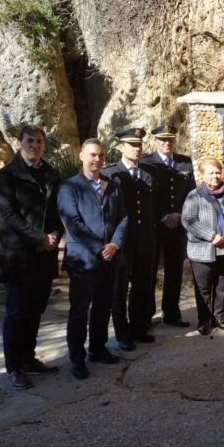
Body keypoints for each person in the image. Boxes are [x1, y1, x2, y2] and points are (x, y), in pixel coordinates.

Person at [0, 125, 63, 390]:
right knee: (16, 314)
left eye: (39, 141)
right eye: (30, 141)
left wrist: (53, 235)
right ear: (19, 143)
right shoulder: (6, 176)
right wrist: (38, 238)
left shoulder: (51, 174)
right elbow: (7, 216)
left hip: (44, 257)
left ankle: (29, 359)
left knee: (35, 311)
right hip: (18, 257)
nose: (35, 145)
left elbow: (58, 212)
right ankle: (14, 367)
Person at [58, 139, 128, 380]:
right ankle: (77, 359)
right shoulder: (69, 187)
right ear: (81, 156)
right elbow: (73, 223)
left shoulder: (113, 186)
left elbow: (123, 218)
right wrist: (100, 248)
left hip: (110, 259)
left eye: (100, 155)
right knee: (79, 311)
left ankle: (97, 349)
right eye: (92, 155)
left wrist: (114, 244)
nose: (97, 159)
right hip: (83, 260)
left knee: (103, 307)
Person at [102, 128, 158, 348]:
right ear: (120, 147)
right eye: (132, 145)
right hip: (122, 241)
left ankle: (139, 327)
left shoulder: (150, 173)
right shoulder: (109, 174)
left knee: (142, 287)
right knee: (119, 289)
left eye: (139, 145)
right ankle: (122, 334)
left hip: (145, 239)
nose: (137, 148)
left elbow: (153, 205)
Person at [140, 125, 196, 328]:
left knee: (175, 271)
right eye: (162, 140)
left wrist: (179, 215)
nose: (167, 143)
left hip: (177, 227)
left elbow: (191, 193)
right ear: (155, 141)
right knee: (150, 271)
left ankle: (172, 313)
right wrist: (164, 216)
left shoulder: (184, 162)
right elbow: (145, 197)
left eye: (170, 139)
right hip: (155, 225)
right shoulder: (146, 163)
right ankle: (146, 315)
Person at [181, 157, 224, 335]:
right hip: (202, 249)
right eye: (211, 173)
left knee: (222, 286)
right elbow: (188, 220)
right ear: (203, 175)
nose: (215, 176)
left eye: (218, 172)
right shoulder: (194, 195)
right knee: (204, 288)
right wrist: (211, 235)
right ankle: (204, 319)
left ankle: (219, 317)